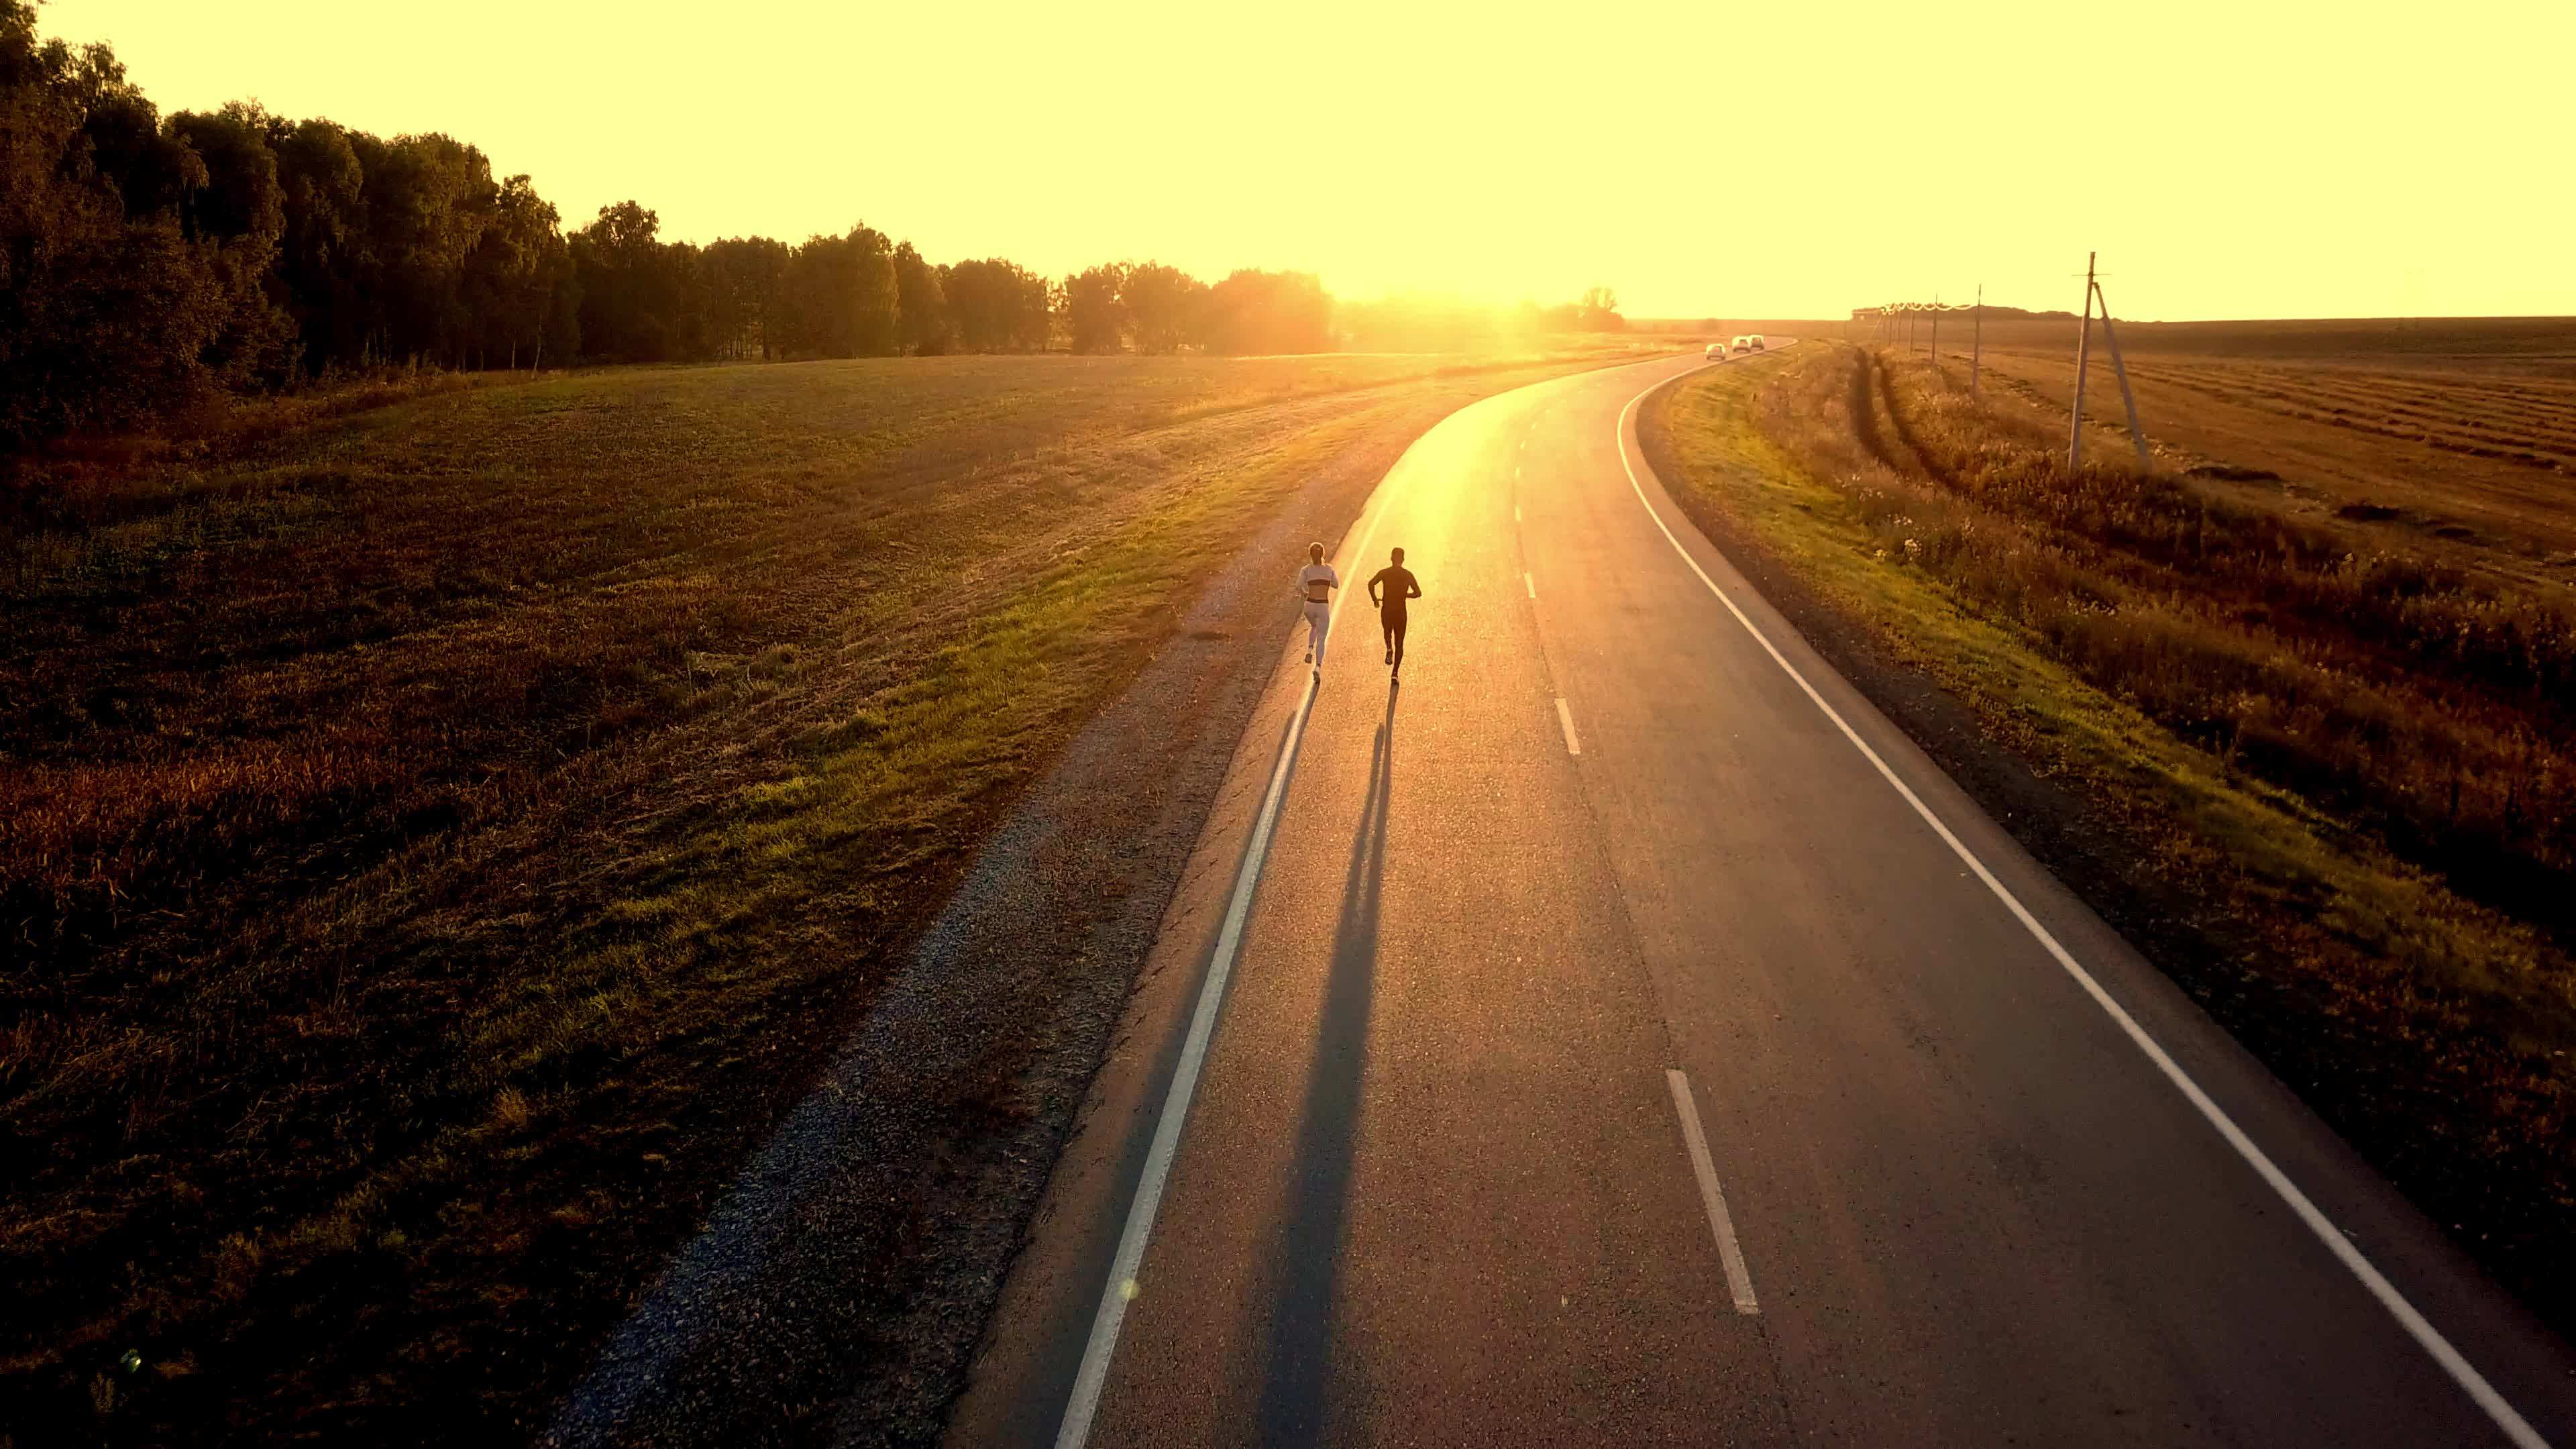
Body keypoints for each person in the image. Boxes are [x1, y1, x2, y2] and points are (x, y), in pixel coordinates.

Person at [1367, 547, 1421, 682]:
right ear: (1403, 560)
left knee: (1387, 631)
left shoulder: (1385, 573)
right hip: (1401, 612)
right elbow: (1418, 593)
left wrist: (1375, 599)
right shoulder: (1408, 575)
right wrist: (1405, 595)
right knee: (1400, 643)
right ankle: (1395, 673)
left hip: (1387, 609)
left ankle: (1389, 649)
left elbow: (1371, 584)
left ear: (1391, 558)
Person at [1296, 542, 1338, 675]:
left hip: (1309, 605)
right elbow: (1336, 585)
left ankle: (1309, 649)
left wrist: (1304, 593)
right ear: (1323, 554)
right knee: (1321, 637)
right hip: (1322, 605)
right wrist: (1326, 580)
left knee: (1314, 626)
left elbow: (1298, 585)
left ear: (1310, 555)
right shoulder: (1329, 569)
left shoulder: (1306, 570)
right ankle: (1318, 667)